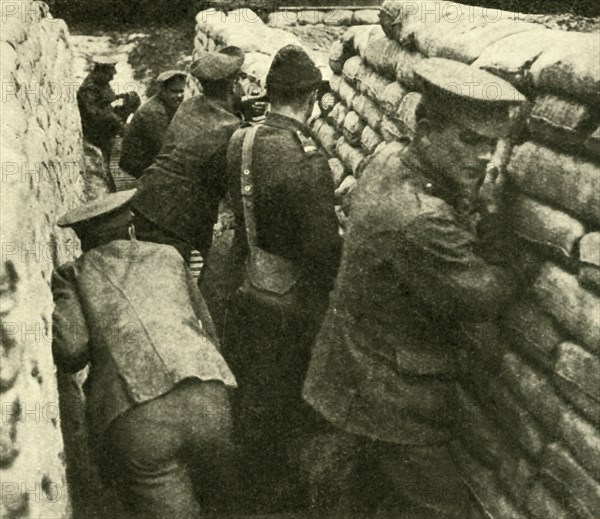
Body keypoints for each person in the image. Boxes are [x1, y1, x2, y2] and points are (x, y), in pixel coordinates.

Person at [301, 58, 526, 517]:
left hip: (354, 369)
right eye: (468, 140)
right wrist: (497, 220)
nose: (484, 157)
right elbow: (487, 295)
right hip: (391, 400)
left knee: (364, 498)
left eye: (490, 144)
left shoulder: (388, 157)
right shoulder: (422, 220)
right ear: (425, 129)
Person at [51, 190, 238, 519]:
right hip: (209, 396)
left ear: (84, 242)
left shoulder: (74, 275)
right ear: (132, 229)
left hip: (138, 415)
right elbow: (208, 331)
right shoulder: (169, 256)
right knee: (221, 504)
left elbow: (71, 350)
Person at [221, 45, 342, 512]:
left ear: (268, 94)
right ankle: (273, 492)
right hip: (290, 300)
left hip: (247, 278)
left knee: (251, 386)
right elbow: (322, 249)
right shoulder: (307, 158)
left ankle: (250, 473)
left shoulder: (241, 140)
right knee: (285, 396)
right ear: (309, 97)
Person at [130, 47, 245, 263]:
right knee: (172, 280)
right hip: (175, 217)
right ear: (233, 84)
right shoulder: (231, 128)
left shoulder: (189, 106)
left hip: (147, 198)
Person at [77, 57, 138, 189]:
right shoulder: (89, 89)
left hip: (106, 127)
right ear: (101, 72)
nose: (112, 78)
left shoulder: (102, 83)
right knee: (105, 165)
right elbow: (95, 114)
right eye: (110, 74)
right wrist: (118, 121)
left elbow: (106, 101)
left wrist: (123, 97)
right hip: (95, 133)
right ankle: (111, 189)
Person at [119, 70, 187, 179]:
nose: (178, 96)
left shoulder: (169, 104)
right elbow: (163, 147)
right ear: (163, 91)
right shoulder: (152, 111)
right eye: (173, 91)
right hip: (138, 165)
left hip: (151, 158)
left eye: (181, 91)